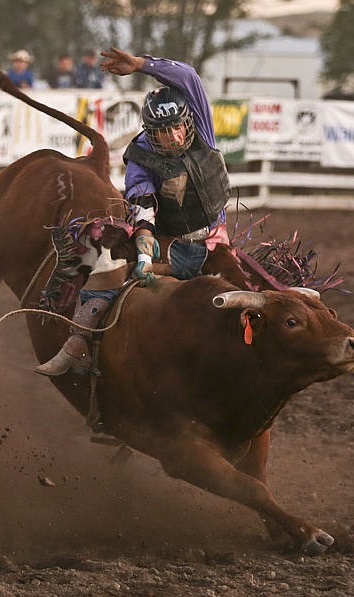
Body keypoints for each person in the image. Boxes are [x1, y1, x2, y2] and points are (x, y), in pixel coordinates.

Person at [35, 47, 231, 377]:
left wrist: (141, 65)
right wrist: (143, 250)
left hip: (216, 241)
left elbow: (188, 77)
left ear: (187, 123)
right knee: (107, 262)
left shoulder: (201, 125)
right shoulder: (141, 154)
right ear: (149, 131)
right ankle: (79, 340)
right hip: (169, 242)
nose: (171, 137)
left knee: (260, 290)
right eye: (161, 131)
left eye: (176, 128)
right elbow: (143, 203)